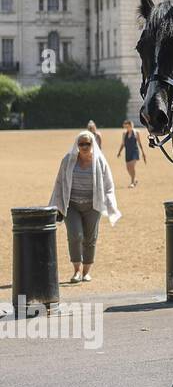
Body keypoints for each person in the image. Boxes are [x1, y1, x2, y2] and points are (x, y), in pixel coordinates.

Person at [49, 130, 121, 283]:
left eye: (87, 144)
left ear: (92, 144)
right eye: (80, 144)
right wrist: (55, 205)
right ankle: (76, 271)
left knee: (90, 239)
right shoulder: (68, 160)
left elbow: (108, 184)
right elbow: (59, 183)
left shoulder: (99, 161)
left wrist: (110, 203)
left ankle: (86, 272)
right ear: (77, 145)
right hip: (72, 205)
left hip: (93, 206)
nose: (84, 147)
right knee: (75, 236)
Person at [117, 119, 147, 187]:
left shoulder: (136, 132)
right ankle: (134, 179)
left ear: (131, 125)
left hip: (134, 152)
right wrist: (119, 152)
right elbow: (123, 144)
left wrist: (143, 153)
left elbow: (140, 143)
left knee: (132, 166)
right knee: (128, 168)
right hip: (127, 152)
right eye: (125, 127)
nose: (126, 128)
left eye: (127, 127)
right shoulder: (124, 134)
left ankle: (132, 182)